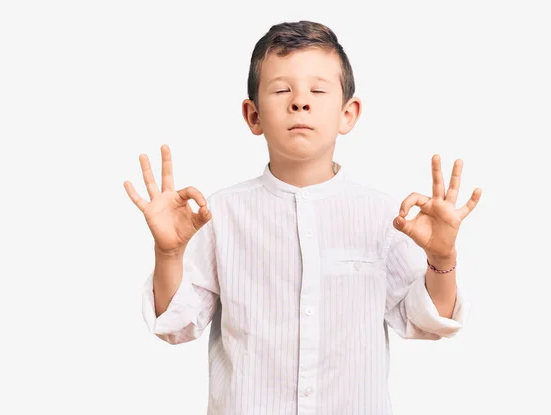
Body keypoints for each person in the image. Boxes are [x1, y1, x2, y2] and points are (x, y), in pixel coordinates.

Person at [124, 20, 482, 415]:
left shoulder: (384, 216)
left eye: (317, 90)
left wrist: (443, 257)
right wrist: (169, 253)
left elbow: (427, 322)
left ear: (349, 113)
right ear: (253, 115)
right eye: (281, 90)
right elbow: (176, 326)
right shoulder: (220, 214)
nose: (300, 101)